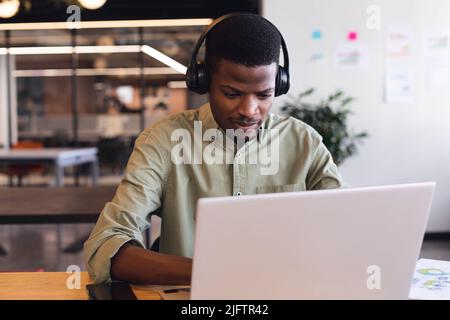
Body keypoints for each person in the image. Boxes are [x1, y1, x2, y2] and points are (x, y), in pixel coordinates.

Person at [84, 13, 344, 285]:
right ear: (203, 81)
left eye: (264, 95)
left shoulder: (304, 143)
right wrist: (212, 272)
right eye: (232, 94)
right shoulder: (163, 142)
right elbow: (106, 244)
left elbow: (348, 225)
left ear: (278, 85)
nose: (249, 110)